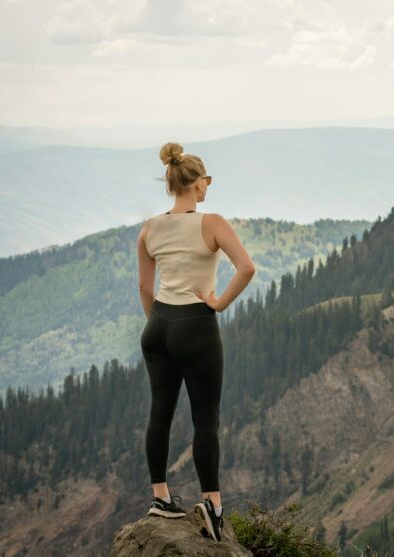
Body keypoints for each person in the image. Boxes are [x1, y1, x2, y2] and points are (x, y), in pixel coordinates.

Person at [136, 141, 255, 542]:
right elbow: (247, 268)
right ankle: (212, 506)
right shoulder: (212, 223)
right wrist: (218, 303)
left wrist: (161, 326)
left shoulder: (150, 228)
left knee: (160, 414)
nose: (208, 189)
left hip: (158, 327)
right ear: (197, 184)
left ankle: (160, 497)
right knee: (205, 419)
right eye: (207, 182)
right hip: (196, 325)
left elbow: (144, 286)